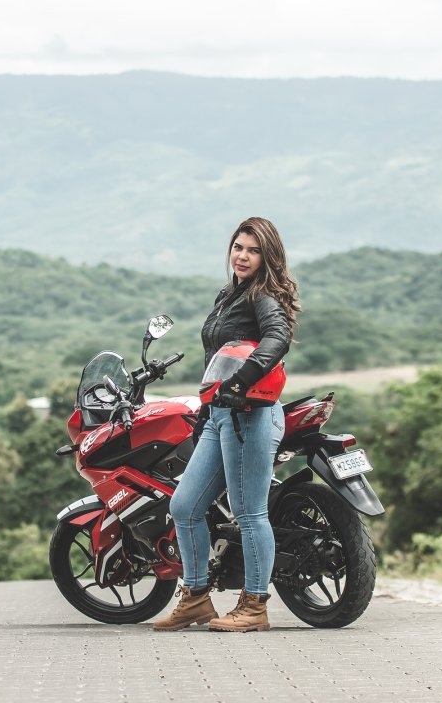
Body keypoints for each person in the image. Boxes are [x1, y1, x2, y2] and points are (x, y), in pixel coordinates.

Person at [152, 216, 300, 633]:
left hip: (251, 416)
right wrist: (207, 410)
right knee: (184, 506)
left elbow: (277, 338)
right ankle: (196, 599)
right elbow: (216, 360)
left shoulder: (263, 297)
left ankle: (254, 606)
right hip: (220, 417)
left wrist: (241, 381)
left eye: (253, 250)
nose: (242, 255)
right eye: (238, 247)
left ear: (266, 256)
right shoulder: (228, 295)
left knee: (249, 512)